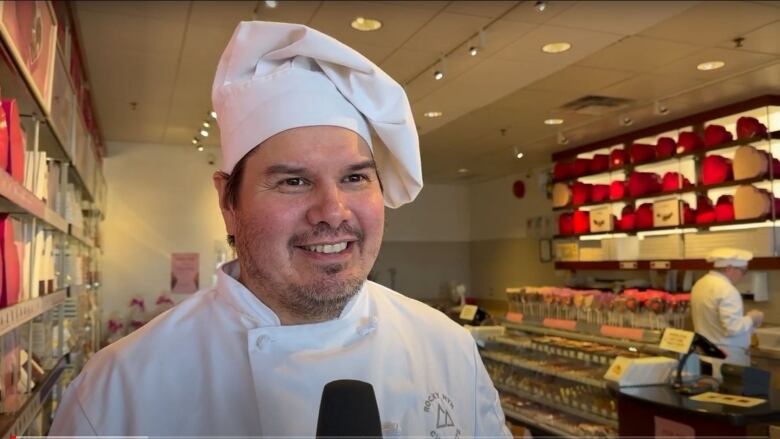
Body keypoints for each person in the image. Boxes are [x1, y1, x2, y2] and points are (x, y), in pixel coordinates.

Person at [49, 21, 511, 437]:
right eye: (293, 181)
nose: (333, 212)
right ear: (228, 202)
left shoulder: (448, 350)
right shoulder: (120, 390)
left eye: (354, 177)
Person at [691, 247, 764, 370]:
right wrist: (752, 318)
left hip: (705, 354)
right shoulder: (727, 290)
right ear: (729, 268)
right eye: (743, 271)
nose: (743, 276)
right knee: (728, 388)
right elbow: (733, 328)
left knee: (711, 387)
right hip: (727, 358)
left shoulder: (700, 283)